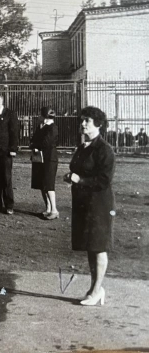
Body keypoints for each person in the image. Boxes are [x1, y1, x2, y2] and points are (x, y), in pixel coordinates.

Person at [64, 106, 115, 306]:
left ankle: (96, 291)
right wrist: (71, 177)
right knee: (90, 247)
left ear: (98, 124)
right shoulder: (83, 146)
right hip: (84, 203)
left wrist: (81, 180)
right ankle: (95, 288)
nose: (82, 124)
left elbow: (104, 180)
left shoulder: (104, 150)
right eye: (82, 120)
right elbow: (77, 169)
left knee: (99, 247)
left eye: (87, 121)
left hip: (99, 204)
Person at [30, 107, 60, 219]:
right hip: (40, 157)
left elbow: (46, 142)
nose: (38, 117)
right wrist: (35, 145)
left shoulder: (52, 128)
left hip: (49, 158)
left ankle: (54, 210)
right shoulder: (41, 127)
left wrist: (36, 146)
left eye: (40, 115)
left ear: (44, 116)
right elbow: (33, 140)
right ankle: (48, 208)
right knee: (42, 184)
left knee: (49, 184)